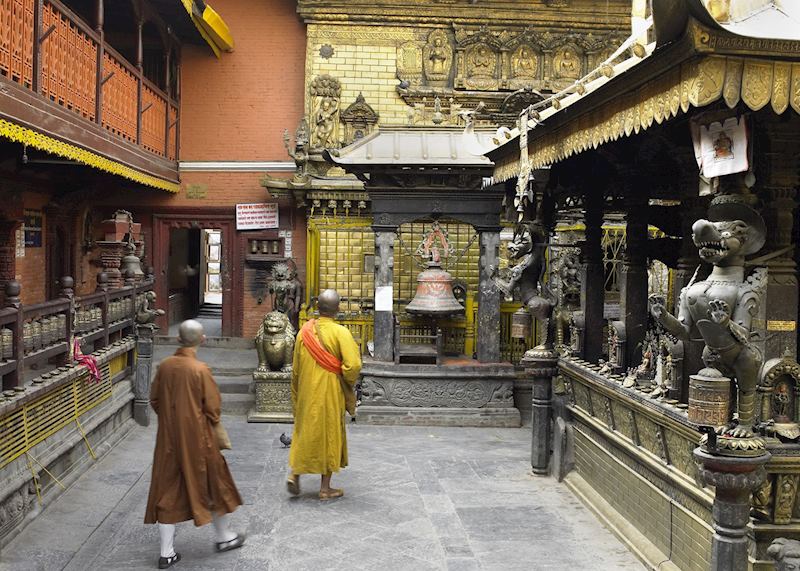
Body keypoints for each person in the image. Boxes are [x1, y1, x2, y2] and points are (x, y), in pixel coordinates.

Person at [144, 319, 245, 569]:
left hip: (168, 440)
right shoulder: (200, 369)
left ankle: (166, 552)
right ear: (202, 340)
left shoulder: (165, 366)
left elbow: (154, 400)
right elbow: (213, 408)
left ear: (178, 339)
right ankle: (224, 537)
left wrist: (172, 419)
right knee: (215, 484)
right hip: (200, 441)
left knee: (167, 491)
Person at [287, 289, 362, 500]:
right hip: (330, 391)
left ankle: (295, 473)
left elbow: (296, 369)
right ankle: (325, 488)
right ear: (337, 309)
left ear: (317, 308)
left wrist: (297, 394)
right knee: (329, 434)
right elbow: (353, 365)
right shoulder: (341, 333)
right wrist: (346, 378)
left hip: (307, 390)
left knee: (305, 430)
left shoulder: (304, 332)